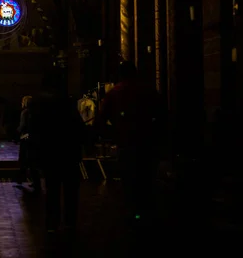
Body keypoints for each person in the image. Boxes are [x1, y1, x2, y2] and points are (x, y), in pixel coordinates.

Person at [94, 61, 165, 223]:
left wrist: (111, 132)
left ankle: (133, 210)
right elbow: (161, 113)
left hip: (126, 141)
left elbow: (101, 118)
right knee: (146, 177)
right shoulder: (148, 90)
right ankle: (146, 209)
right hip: (148, 140)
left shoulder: (115, 93)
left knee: (129, 177)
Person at [34, 71, 86, 234]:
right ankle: (70, 222)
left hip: (49, 153)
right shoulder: (67, 102)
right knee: (71, 190)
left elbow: (36, 130)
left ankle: (52, 222)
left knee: (52, 190)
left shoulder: (39, 104)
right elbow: (77, 127)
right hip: (69, 152)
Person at [16, 95, 41, 191]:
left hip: (25, 138)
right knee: (32, 162)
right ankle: (36, 182)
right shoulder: (36, 112)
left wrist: (16, 133)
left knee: (24, 159)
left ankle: (21, 178)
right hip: (34, 139)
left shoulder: (25, 112)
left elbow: (22, 126)